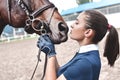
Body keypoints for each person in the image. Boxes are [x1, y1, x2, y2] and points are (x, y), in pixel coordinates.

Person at [37, 10, 119, 80]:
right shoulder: (86, 56)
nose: (72, 25)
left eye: (77, 23)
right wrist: (50, 53)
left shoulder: (85, 63)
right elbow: (60, 72)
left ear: (88, 32)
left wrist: (51, 55)